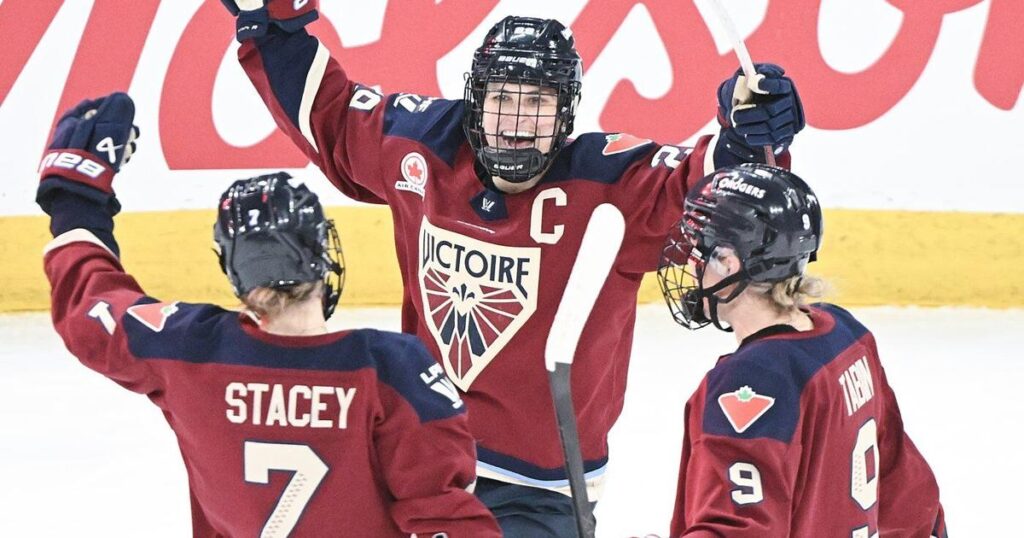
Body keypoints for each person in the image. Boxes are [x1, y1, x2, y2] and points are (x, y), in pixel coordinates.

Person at [219, 2, 805, 534]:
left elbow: (711, 193)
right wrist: (275, 28)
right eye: (501, 98)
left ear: (566, 111)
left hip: (539, 488)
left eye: (537, 103)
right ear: (476, 100)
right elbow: (336, 117)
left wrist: (746, 139)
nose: (516, 122)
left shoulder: (610, 181)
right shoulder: (423, 144)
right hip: (418, 455)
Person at [37, 92, 501, 537]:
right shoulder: (392, 370)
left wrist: (74, 201)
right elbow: (447, 517)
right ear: (322, 253)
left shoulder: (185, 348)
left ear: (234, 271)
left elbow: (90, 308)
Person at [657, 163, 947, 537]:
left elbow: (739, 531)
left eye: (698, 250)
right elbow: (907, 489)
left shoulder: (752, 381)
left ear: (729, 263)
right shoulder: (846, 335)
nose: (689, 263)